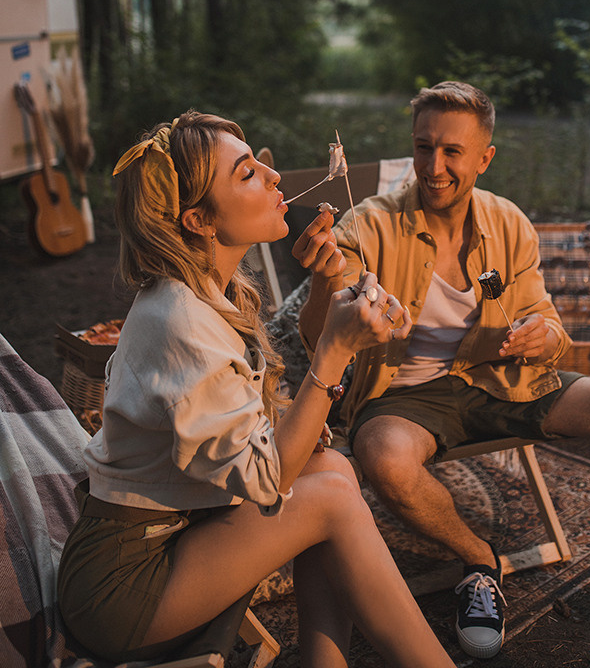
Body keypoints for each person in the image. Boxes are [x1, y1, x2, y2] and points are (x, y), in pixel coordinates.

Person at [57, 110, 458, 668]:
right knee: (332, 500)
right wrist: (335, 350)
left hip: (178, 536)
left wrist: (327, 293)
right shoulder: (179, 321)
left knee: (332, 469)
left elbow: (243, 435)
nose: (274, 177)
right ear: (199, 220)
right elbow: (267, 481)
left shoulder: (208, 296)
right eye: (247, 173)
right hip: (123, 587)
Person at [295, 81, 590, 661]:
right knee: (384, 457)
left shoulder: (508, 223)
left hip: (500, 378)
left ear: (485, 158)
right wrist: (323, 281)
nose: (433, 167)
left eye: (452, 152)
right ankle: (478, 560)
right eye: (423, 148)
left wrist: (546, 337)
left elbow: (546, 318)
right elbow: (319, 336)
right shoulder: (369, 224)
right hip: (404, 394)